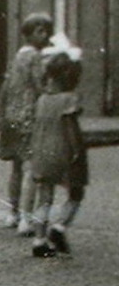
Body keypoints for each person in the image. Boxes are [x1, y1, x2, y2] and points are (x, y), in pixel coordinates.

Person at [29, 40, 87, 258]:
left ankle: (38, 240)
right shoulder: (70, 99)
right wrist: (76, 152)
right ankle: (59, 227)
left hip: (42, 150)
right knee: (76, 193)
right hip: (64, 151)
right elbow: (71, 128)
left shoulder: (42, 99)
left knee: (44, 197)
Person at [0, 12, 54, 234]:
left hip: (11, 116)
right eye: (40, 31)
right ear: (29, 34)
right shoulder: (35, 57)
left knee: (16, 167)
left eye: (46, 31)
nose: (45, 35)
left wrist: (2, 115)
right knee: (30, 168)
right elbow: (40, 86)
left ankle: (12, 213)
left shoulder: (17, 56)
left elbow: (5, 87)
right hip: (29, 117)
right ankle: (26, 220)